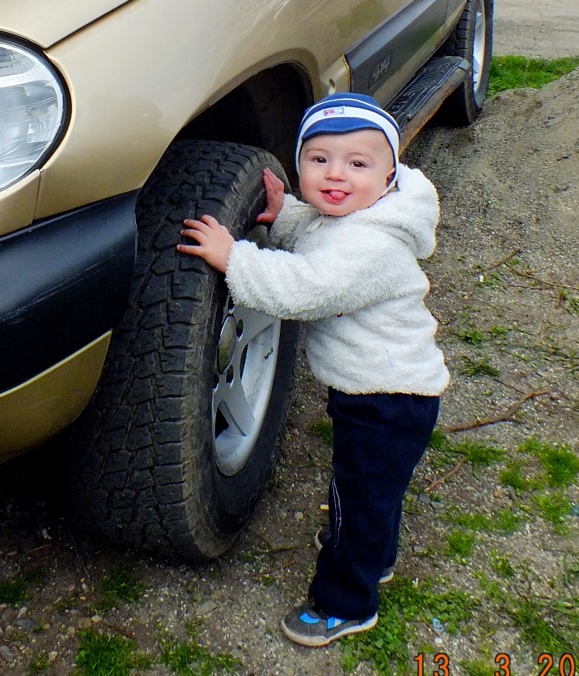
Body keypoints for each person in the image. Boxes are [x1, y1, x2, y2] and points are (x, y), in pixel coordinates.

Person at [178, 93, 448, 648]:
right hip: (382, 389)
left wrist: (235, 257)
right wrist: (287, 215)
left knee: (361, 493)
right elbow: (324, 230)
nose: (336, 176)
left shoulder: (373, 243)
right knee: (373, 491)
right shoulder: (359, 214)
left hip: (388, 398)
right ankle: (373, 555)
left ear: (390, 174)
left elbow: (310, 287)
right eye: (318, 159)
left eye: (357, 163)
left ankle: (344, 603)